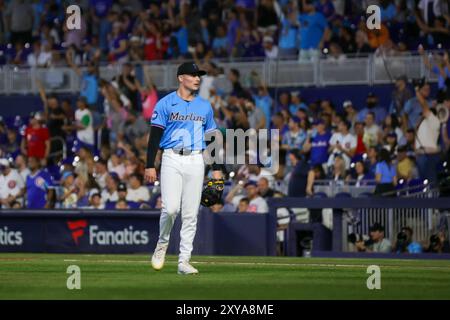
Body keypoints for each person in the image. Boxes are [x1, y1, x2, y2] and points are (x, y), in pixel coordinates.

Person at [145, 62, 222, 275]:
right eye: (193, 74)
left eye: (199, 75)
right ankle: (162, 245)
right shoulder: (165, 103)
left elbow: (212, 139)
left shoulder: (204, 106)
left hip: (196, 160)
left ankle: (184, 261)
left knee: (190, 214)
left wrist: (216, 169)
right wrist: (150, 164)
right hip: (172, 158)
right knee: (170, 209)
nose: (197, 78)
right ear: (181, 78)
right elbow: (154, 137)